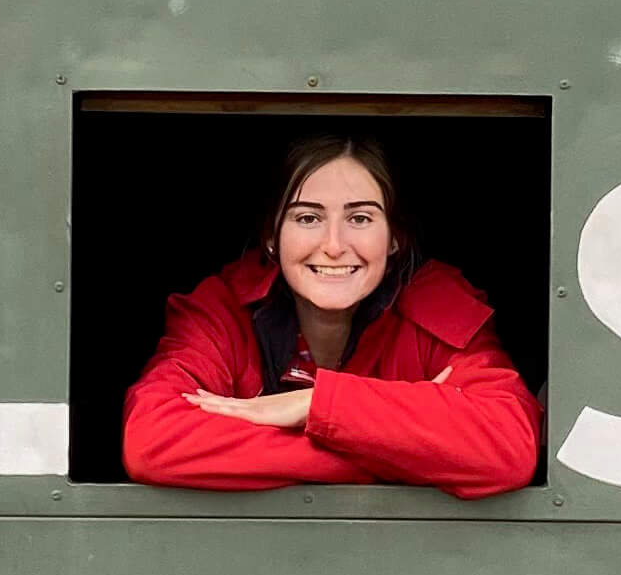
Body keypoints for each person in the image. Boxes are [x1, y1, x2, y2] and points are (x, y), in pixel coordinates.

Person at [121, 135, 543, 498]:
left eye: (360, 218)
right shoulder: (224, 311)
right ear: (272, 235)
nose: (334, 245)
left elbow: (508, 448)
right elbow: (151, 442)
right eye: (308, 218)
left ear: (394, 237)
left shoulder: (434, 309)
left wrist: (315, 404)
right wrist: (401, 452)